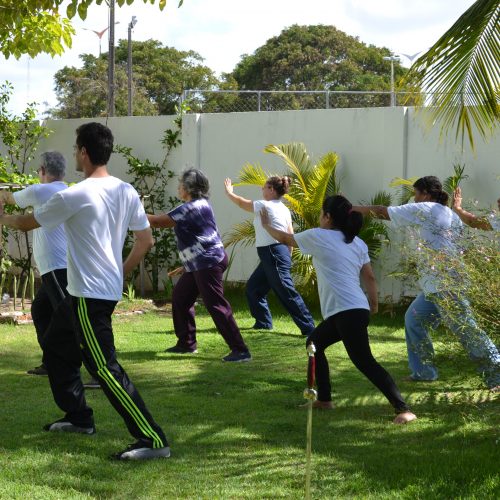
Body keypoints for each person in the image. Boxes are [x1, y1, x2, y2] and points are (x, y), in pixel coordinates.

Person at [0, 122, 170, 460]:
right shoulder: (126, 190)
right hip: (92, 292)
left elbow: (26, 223)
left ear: (83, 152)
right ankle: (79, 418)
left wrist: (3, 217)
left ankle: (152, 439)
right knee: (56, 347)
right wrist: (120, 272)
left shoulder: (75, 195)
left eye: (76, 149)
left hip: (88, 295)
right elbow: (145, 240)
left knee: (104, 367)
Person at [260, 195, 416, 424]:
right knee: (314, 344)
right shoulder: (357, 243)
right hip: (352, 309)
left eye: (321, 213)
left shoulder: (318, 236)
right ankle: (324, 400)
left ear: (327, 216)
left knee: (364, 362)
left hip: (347, 311)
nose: (320, 217)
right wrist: (373, 305)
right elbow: (370, 277)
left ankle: (404, 409)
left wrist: (265, 225)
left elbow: (285, 238)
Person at [353, 176, 500, 390]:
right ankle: (424, 372)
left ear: (426, 194)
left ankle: (497, 375)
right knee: (414, 320)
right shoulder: (450, 214)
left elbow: (383, 212)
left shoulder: (426, 208)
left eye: (416, 193)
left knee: (468, 331)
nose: (414, 199)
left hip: (447, 286)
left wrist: (352, 209)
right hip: (437, 285)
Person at [148, 168, 251, 362]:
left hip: (208, 262)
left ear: (189, 187)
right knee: (181, 297)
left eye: (180, 184)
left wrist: (131, 209)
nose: (178, 187)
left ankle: (241, 350)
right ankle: (186, 344)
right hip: (200, 262)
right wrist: (187, 265)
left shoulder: (190, 208)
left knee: (216, 305)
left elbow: (157, 222)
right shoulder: (200, 205)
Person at [0, 151, 68, 376]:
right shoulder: (64, 190)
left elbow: (11, 199)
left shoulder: (41, 190)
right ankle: (52, 362)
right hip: (55, 267)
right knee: (40, 311)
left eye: (38, 170)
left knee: (66, 316)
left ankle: (80, 363)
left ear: (43, 171)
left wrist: (2, 198)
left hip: (57, 267)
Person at [224, 176, 315, 335]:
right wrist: (288, 254)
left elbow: (241, 203)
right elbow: (289, 233)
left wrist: (229, 192)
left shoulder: (264, 205)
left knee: (286, 291)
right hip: (273, 254)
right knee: (254, 289)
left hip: (274, 253)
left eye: (264, 187)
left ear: (272, 190)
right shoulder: (283, 208)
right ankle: (263, 323)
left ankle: (310, 328)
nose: (262, 189)